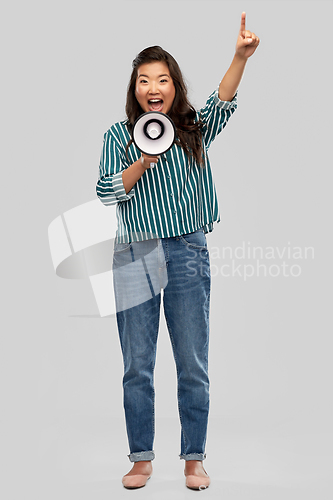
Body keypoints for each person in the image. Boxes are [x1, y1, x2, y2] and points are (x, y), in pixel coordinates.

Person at [96, 12, 259, 490]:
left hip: (188, 250)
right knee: (137, 364)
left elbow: (222, 101)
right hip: (134, 255)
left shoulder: (192, 129)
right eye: (144, 79)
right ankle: (141, 458)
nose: (153, 86)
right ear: (135, 89)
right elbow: (107, 191)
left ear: (173, 87)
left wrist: (239, 57)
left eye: (162, 79)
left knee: (192, 361)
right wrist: (142, 161)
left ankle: (193, 459)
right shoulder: (116, 136)